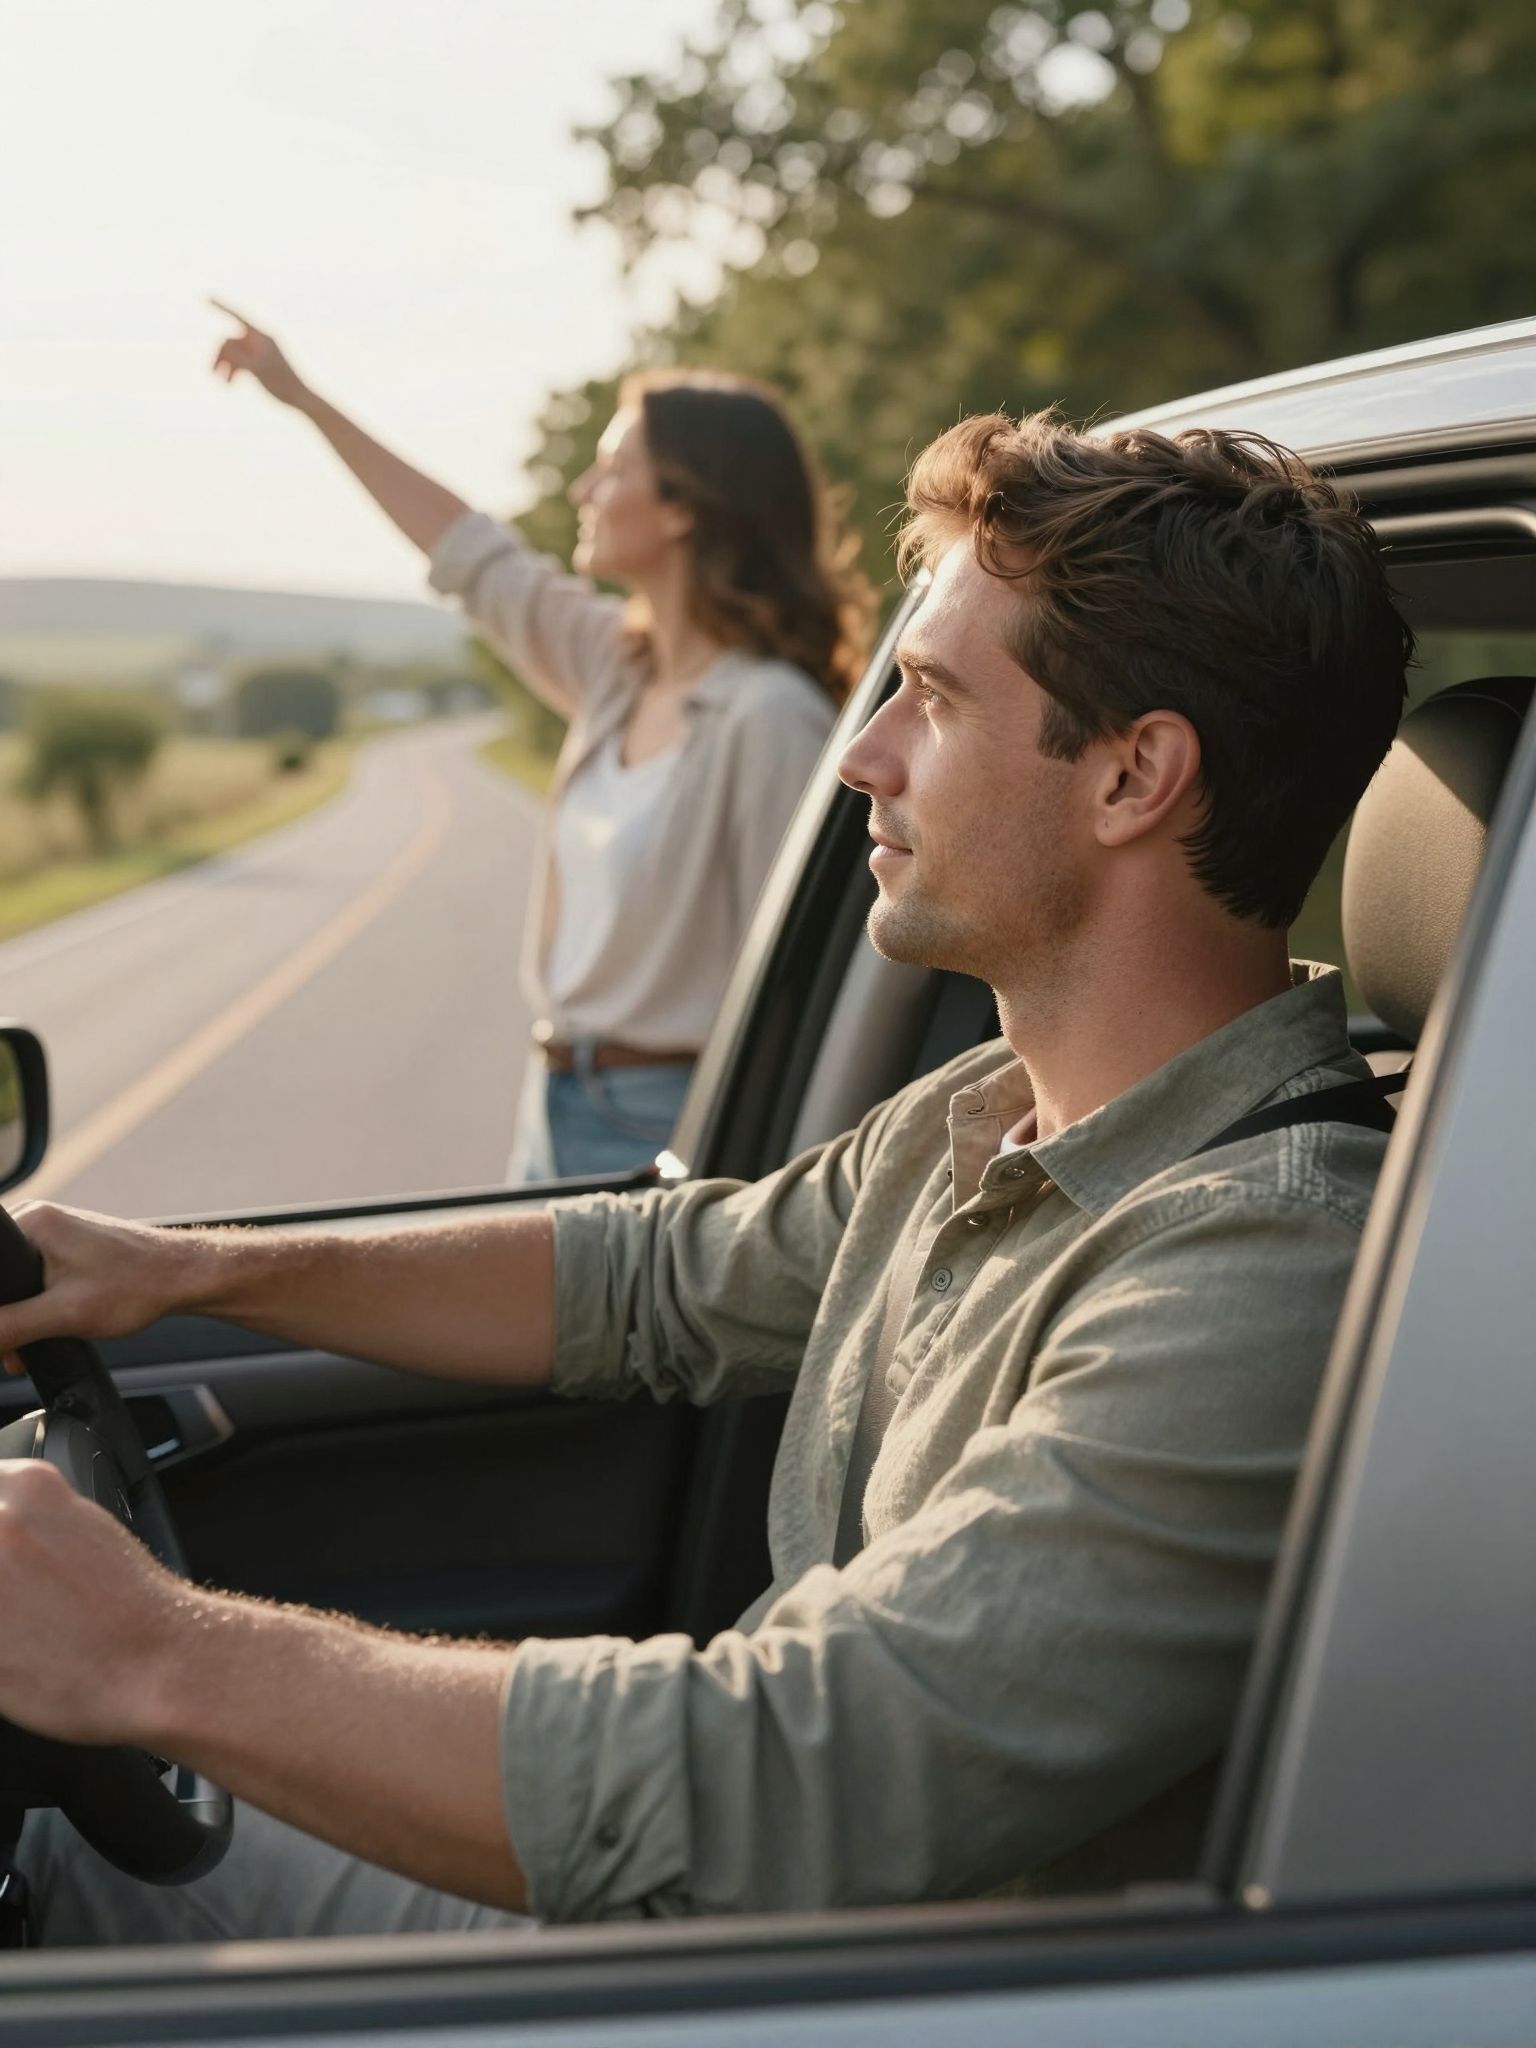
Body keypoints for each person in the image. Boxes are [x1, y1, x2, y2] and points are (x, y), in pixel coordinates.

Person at [0, 410, 1412, 1942]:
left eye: (929, 701)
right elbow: (654, 1280)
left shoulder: (1262, 1273)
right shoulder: (994, 1111)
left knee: (69, 1868)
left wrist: (145, 1655)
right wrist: (191, 1271)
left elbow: (786, 1777)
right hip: (731, 1927)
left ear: (1136, 776)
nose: (862, 751)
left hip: (813, 1984)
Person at [208, 303, 872, 1180]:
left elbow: (810, 985)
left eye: (610, 470)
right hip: (553, 1101)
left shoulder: (771, 718)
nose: (583, 493)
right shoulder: (615, 669)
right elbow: (470, 553)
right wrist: (305, 400)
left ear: (682, 507)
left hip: (675, 1125)